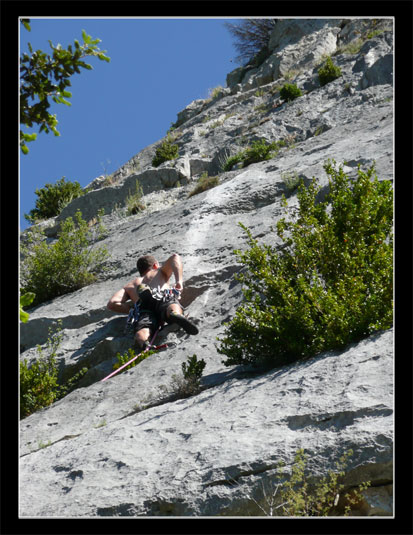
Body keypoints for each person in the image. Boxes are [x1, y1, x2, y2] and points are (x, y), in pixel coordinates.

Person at [107, 253, 198, 351]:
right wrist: (179, 281)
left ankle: (143, 341)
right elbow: (174, 257)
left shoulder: (130, 285)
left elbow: (112, 303)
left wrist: (132, 309)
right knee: (169, 304)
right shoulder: (157, 271)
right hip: (160, 295)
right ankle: (174, 314)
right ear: (155, 265)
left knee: (144, 326)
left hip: (143, 309)